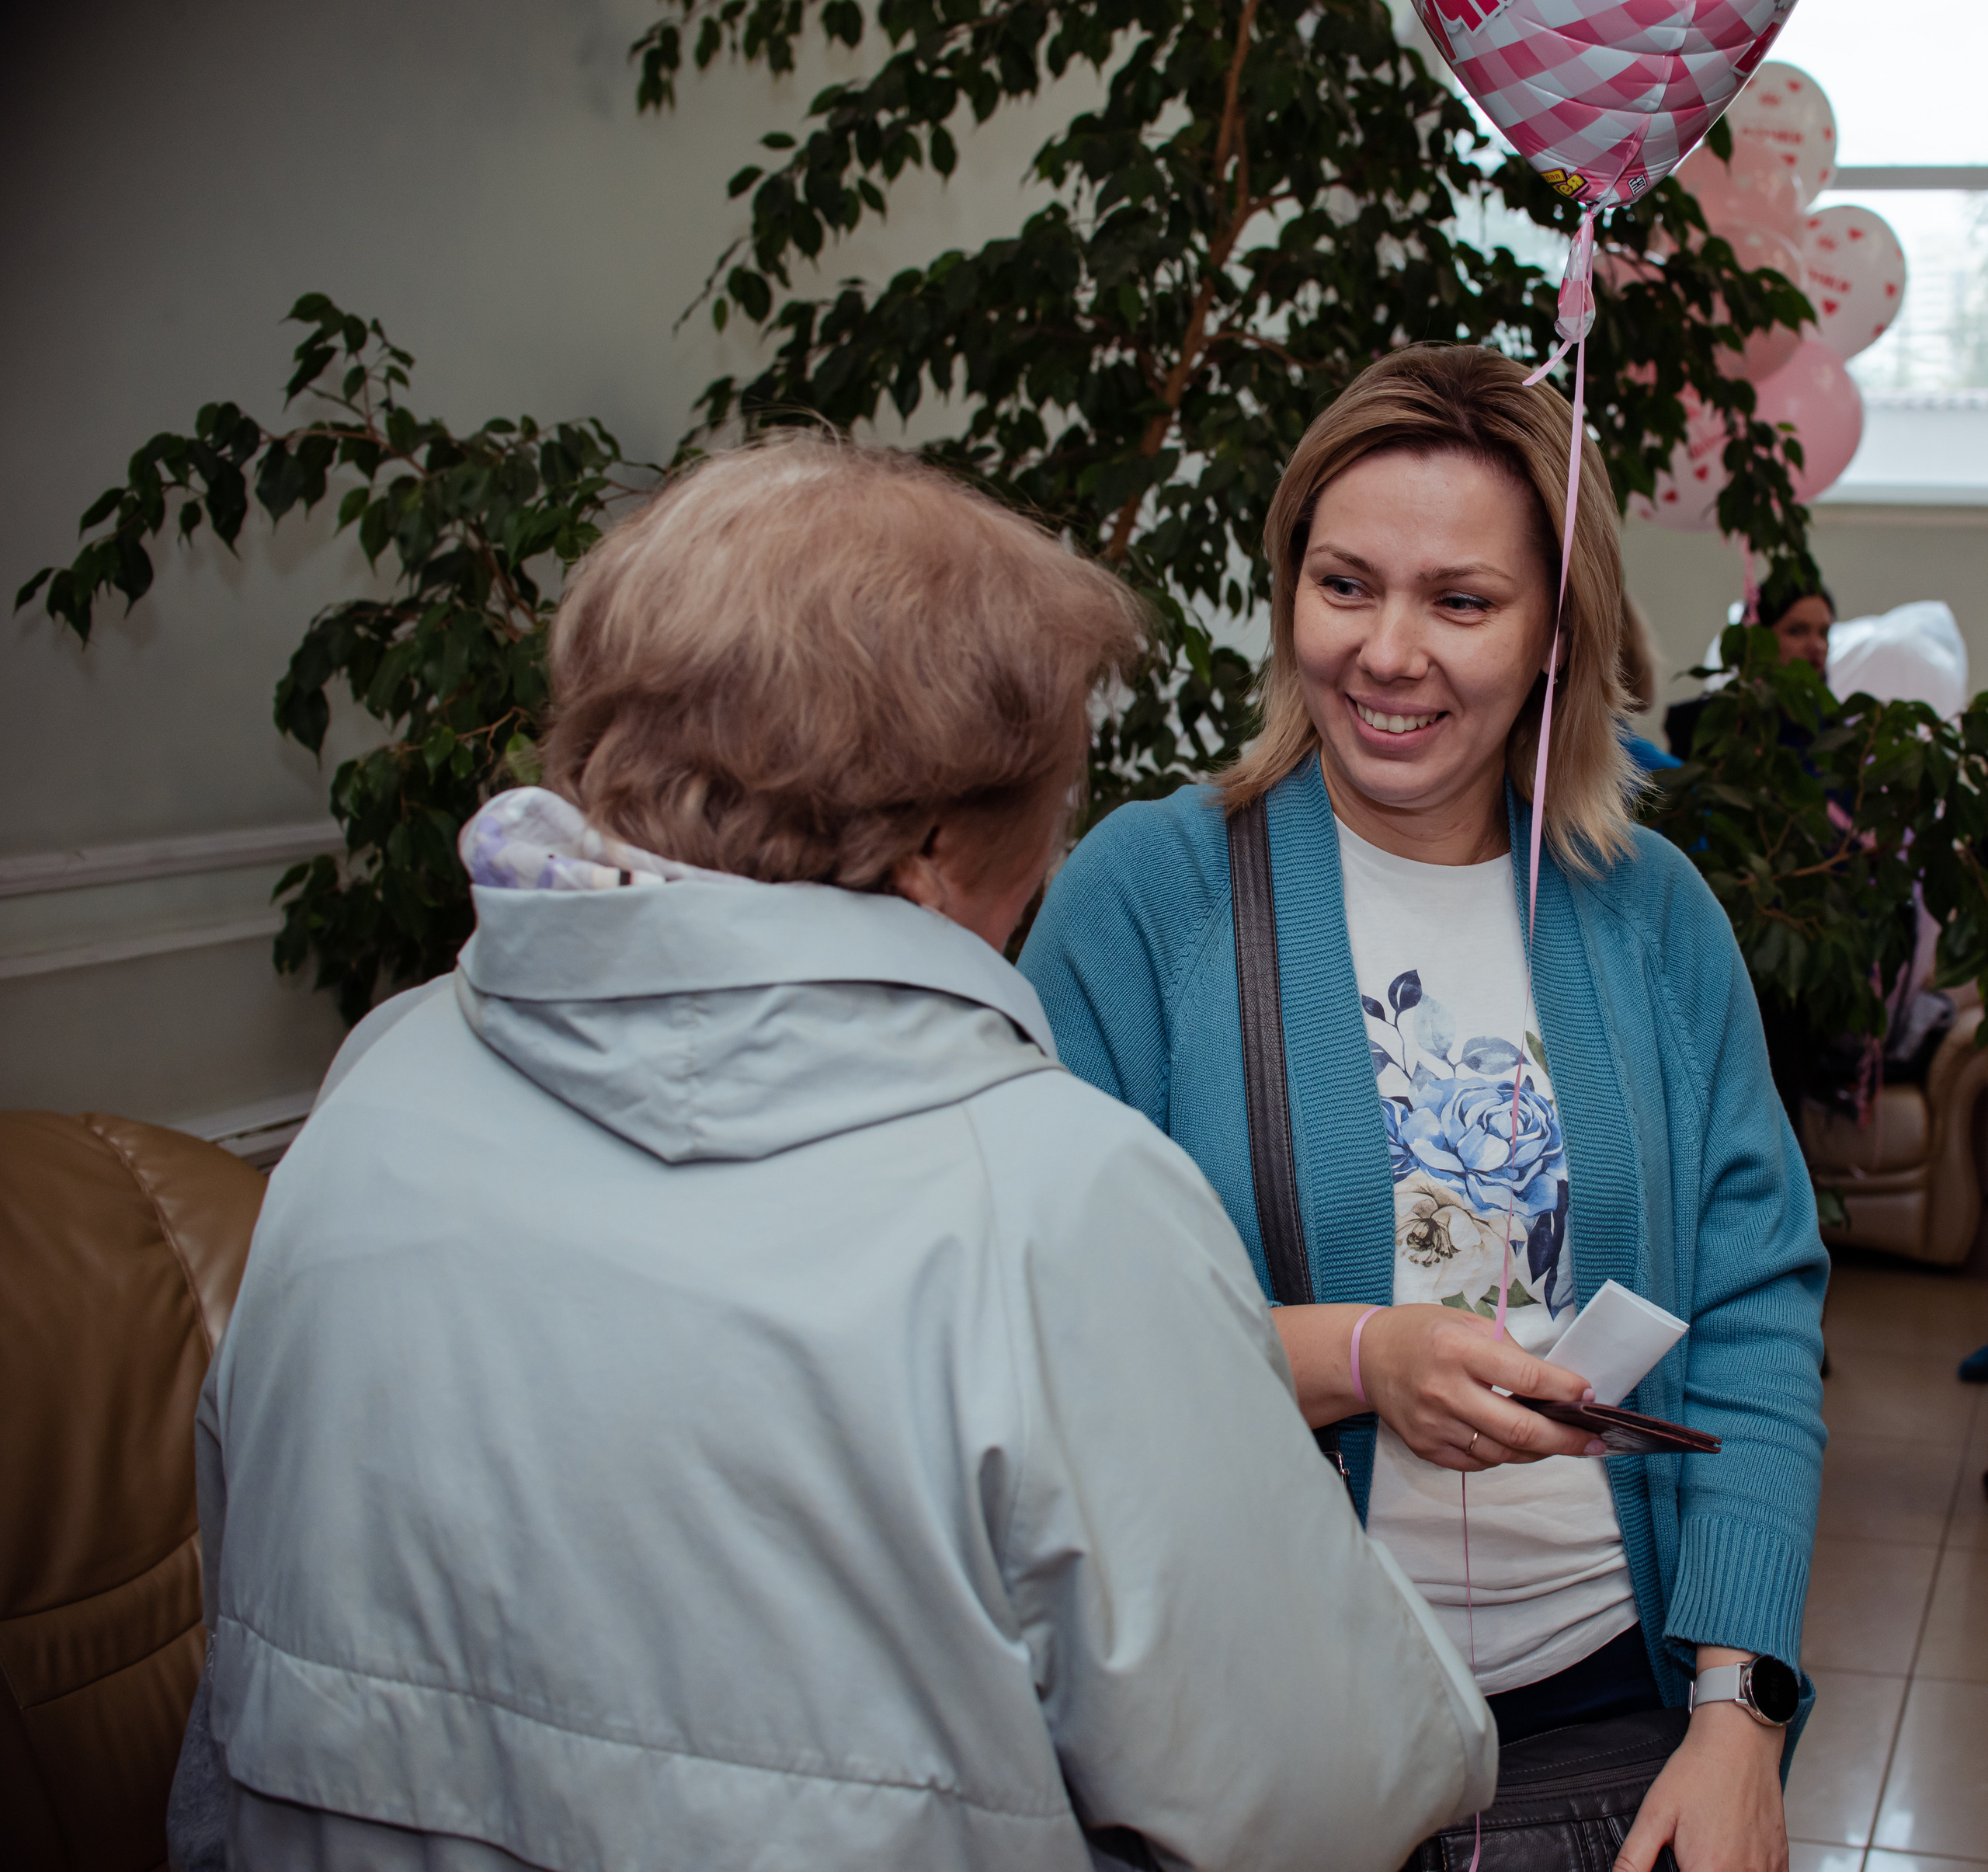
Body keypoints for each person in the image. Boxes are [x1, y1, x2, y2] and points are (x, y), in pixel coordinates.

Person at [169, 433, 1496, 1871]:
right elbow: (1319, 1800)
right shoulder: (1052, 1201)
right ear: (934, 851)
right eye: (1043, 807)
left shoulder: (381, 1082)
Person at [1020, 346, 1826, 1872]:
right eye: (1344, 584)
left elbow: (1754, 1318)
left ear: (1550, 634)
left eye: (1458, 601)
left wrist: (1733, 1710)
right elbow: (1036, 1326)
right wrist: (1351, 1354)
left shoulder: (1646, 912)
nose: (1387, 652)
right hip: (1245, 1734)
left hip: (1608, 1718)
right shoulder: (1152, 892)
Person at [1665, 584, 1834, 760]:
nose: (1817, 646)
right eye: (1797, 631)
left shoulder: (1835, 732)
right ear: (1758, 639)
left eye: (1824, 633)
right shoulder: (1705, 725)